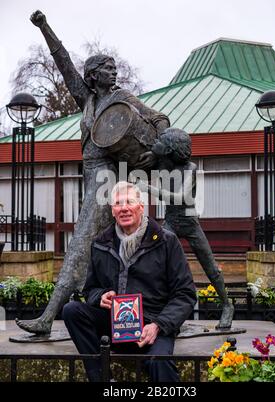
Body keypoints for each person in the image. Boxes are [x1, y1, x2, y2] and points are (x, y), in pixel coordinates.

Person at [16, 10, 170, 335]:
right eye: (107, 68)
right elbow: (63, 63)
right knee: (95, 248)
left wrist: (166, 139)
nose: (113, 72)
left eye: (114, 68)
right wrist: (45, 27)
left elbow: (158, 118)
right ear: (93, 75)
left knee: (77, 247)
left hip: (106, 180)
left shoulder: (122, 98)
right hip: (91, 178)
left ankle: (47, 318)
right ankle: (99, 312)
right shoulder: (86, 99)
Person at [63, 181, 197, 382]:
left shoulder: (166, 241)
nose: (124, 208)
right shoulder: (101, 243)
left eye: (129, 202)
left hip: (152, 325)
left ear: (141, 206)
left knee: (159, 362)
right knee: (71, 310)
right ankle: (101, 379)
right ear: (113, 210)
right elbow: (90, 289)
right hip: (113, 323)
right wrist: (100, 296)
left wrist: (159, 325)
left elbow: (185, 294)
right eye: (118, 203)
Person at [135, 128, 234, 329]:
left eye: (161, 140)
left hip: (189, 222)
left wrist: (149, 189)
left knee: (210, 267)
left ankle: (227, 305)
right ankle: (161, 310)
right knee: (156, 264)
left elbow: (182, 198)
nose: (157, 143)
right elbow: (140, 158)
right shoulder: (161, 163)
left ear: (171, 148)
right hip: (170, 221)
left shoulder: (190, 168)